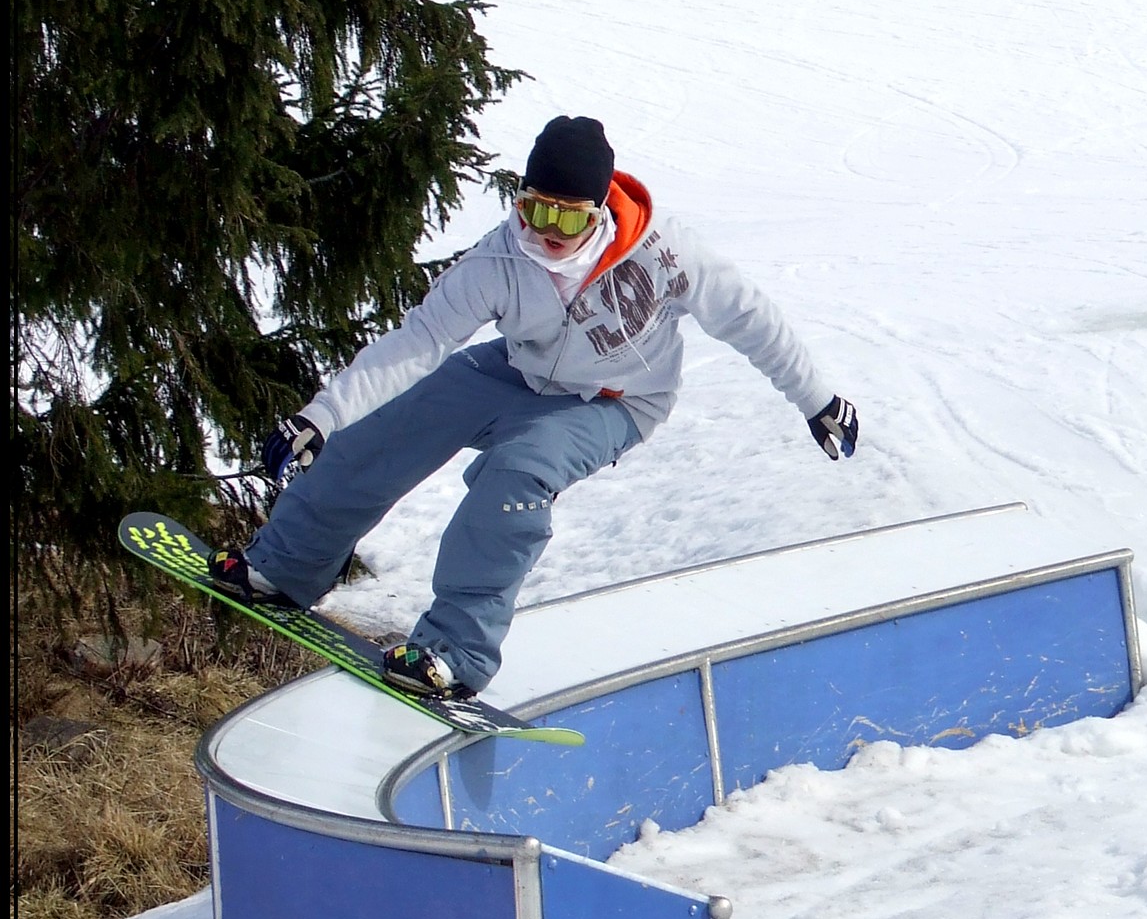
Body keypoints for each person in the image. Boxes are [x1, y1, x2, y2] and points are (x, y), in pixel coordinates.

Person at [209, 115, 858, 701]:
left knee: (515, 476)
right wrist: (321, 417)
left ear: (598, 213)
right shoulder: (498, 258)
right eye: (535, 210)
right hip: (518, 372)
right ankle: (284, 567)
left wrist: (816, 399)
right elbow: (418, 341)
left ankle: (452, 652)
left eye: (567, 219)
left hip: (616, 401)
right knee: (391, 423)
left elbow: (749, 318)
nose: (547, 232)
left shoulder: (665, 253)